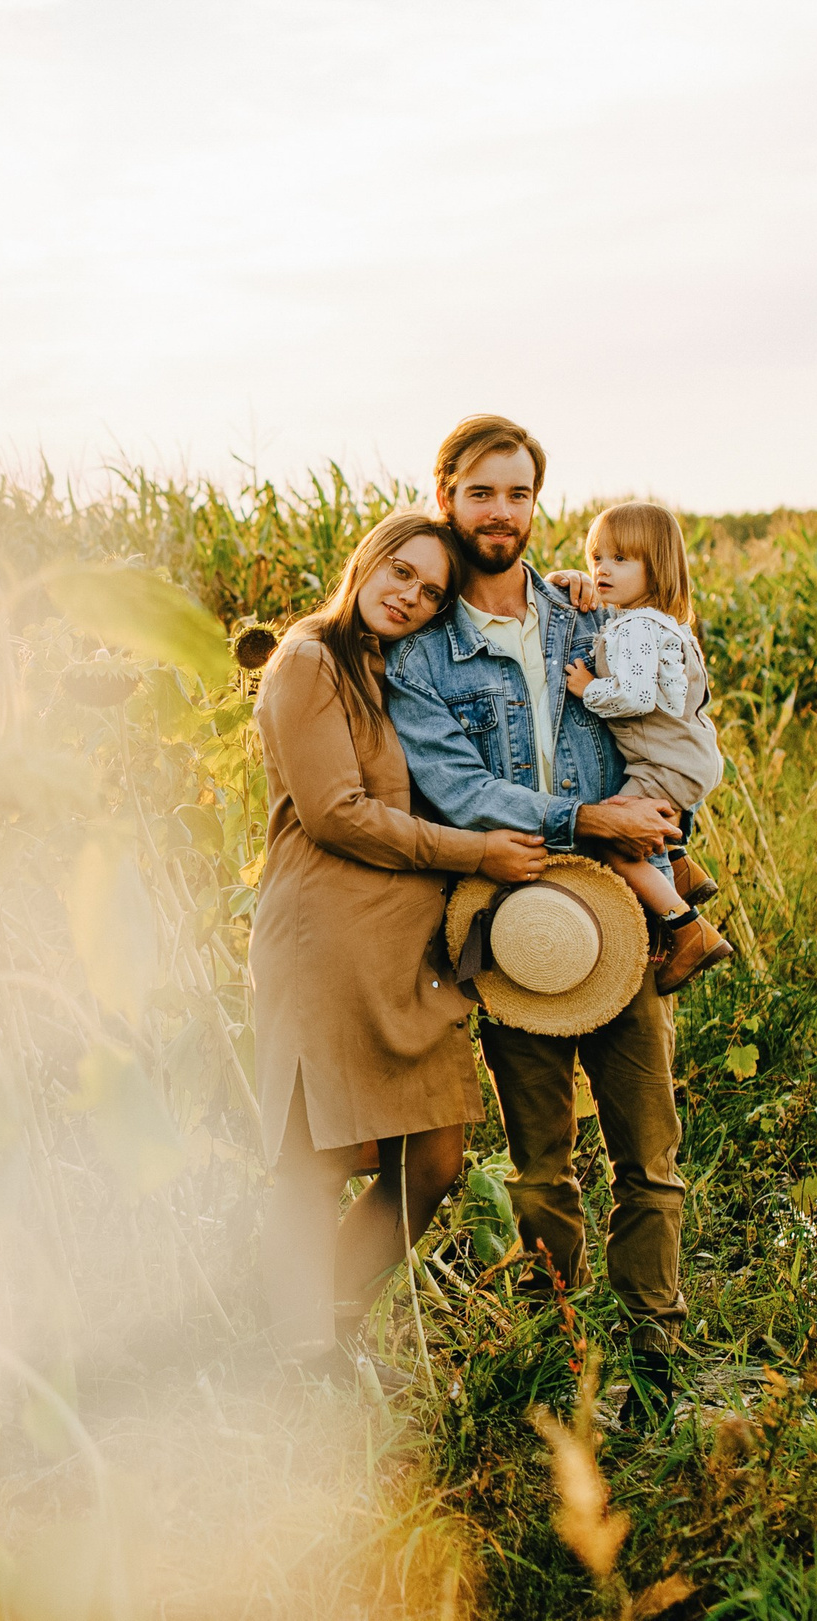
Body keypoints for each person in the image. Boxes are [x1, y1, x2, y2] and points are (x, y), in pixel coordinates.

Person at [379, 414, 691, 1418]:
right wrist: (580, 814)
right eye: (480, 493)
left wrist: (659, 804)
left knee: (649, 1155)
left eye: (517, 493)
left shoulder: (583, 614)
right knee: (540, 1162)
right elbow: (456, 787)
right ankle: (556, 1360)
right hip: (520, 926)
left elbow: (668, 692)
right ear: (447, 499)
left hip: (616, 912)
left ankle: (654, 1360)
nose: (501, 512)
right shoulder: (423, 656)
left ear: (534, 503)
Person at [249, 509, 548, 1374]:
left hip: (404, 951)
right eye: (400, 573)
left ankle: (330, 1323)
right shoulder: (310, 657)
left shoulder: (396, 669)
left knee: (435, 1157)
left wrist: (562, 594)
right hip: (326, 940)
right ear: (367, 560)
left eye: (431, 590)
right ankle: (305, 1348)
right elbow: (335, 813)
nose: (411, 596)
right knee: (323, 1158)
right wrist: (476, 851)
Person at [560, 502, 733, 993]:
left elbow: (635, 697)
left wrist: (586, 687)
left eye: (620, 559)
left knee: (614, 836)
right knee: (635, 821)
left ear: (655, 567)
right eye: (597, 557)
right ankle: (681, 868)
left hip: (665, 761)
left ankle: (688, 929)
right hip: (690, 755)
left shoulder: (633, 629)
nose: (602, 569)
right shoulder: (663, 624)